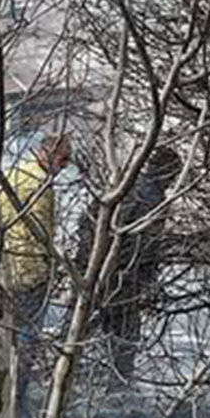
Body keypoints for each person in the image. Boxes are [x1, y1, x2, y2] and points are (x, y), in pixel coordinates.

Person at [76, 146, 181, 380]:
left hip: (102, 274)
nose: (173, 181)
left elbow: (88, 223)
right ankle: (118, 387)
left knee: (83, 329)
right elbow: (147, 248)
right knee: (123, 335)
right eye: (173, 175)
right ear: (166, 172)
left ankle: (66, 379)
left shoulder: (124, 185)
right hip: (122, 278)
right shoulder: (150, 198)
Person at [0, 133, 73, 404]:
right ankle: (17, 398)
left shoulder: (13, 174)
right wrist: (50, 272)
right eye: (62, 159)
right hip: (29, 274)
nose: (64, 166)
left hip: (3, 269)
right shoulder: (41, 185)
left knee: (4, 336)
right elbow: (41, 235)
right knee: (27, 339)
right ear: (46, 154)